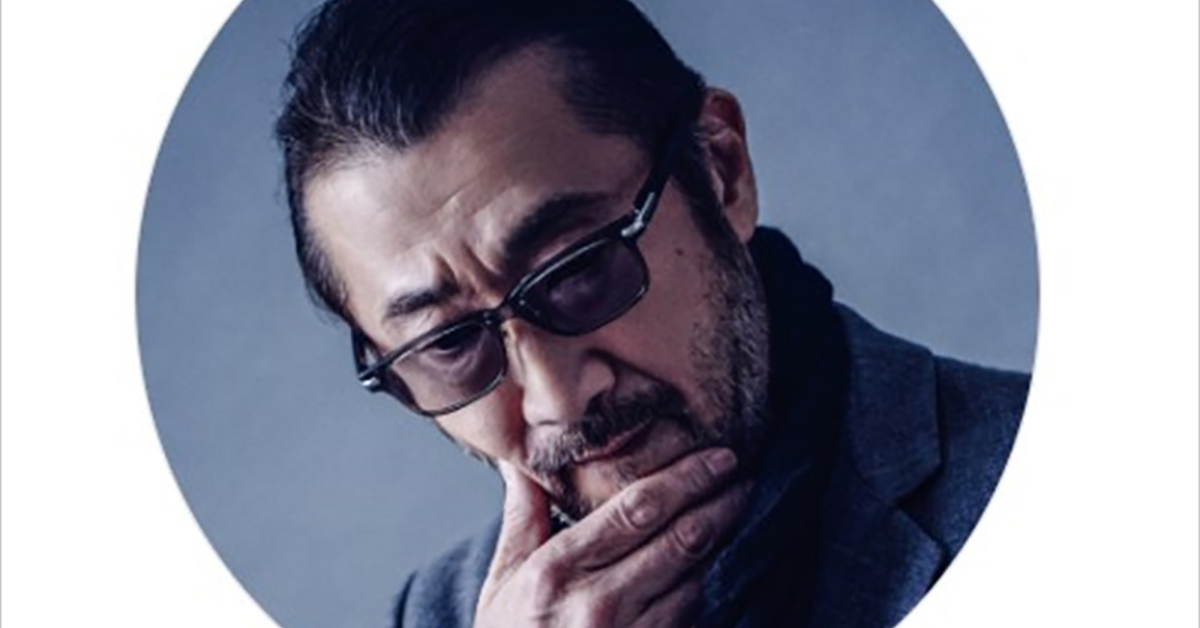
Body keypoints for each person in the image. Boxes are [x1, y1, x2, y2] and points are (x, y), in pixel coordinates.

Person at [273, 0, 1028, 626]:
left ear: (720, 169)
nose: (557, 399)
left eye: (579, 269)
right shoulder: (435, 613)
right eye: (447, 343)